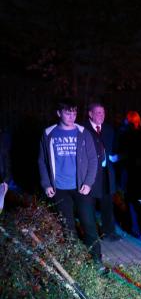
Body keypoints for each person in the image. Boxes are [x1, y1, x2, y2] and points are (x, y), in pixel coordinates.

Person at [37, 100, 102, 268]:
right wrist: (46, 184)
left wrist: (88, 183)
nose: (72, 116)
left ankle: (97, 262)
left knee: (89, 224)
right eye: (67, 113)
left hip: (81, 187)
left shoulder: (83, 132)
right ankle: (75, 262)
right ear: (59, 113)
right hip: (59, 188)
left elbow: (93, 160)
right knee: (67, 227)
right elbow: (42, 161)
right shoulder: (48, 133)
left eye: (74, 113)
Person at [83, 102, 121, 241]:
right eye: (98, 112)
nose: (101, 115)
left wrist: (115, 157)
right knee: (90, 206)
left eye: (103, 113)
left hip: (107, 173)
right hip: (91, 175)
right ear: (90, 114)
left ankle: (109, 232)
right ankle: (92, 234)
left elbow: (115, 148)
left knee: (107, 204)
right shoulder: (83, 130)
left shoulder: (109, 130)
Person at [118, 110, 141, 238]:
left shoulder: (127, 134)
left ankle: (135, 229)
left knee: (132, 203)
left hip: (132, 175)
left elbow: (125, 155)